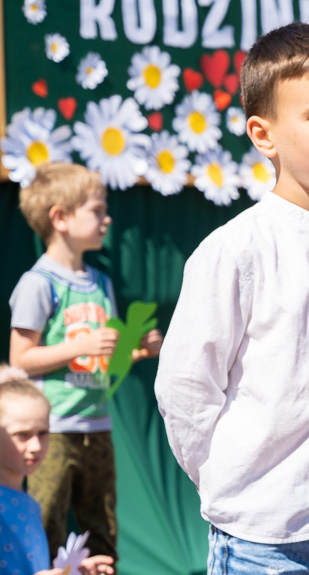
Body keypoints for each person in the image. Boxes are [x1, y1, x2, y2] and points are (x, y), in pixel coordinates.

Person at [153, 23, 309, 574]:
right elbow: (186, 388)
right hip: (261, 539)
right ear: (264, 135)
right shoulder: (235, 249)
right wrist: (230, 483)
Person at [8, 162, 163, 563]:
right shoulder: (38, 284)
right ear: (60, 217)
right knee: (47, 527)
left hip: (97, 425)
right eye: (97, 210)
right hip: (53, 428)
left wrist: (136, 350)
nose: (106, 218)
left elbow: (104, 362)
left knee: (102, 529)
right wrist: (82, 346)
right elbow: (20, 359)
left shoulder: (100, 282)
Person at [0, 364, 115, 575]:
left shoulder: (31, 506)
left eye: (43, 433)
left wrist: (72, 571)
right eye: (22, 435)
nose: (36, 446)